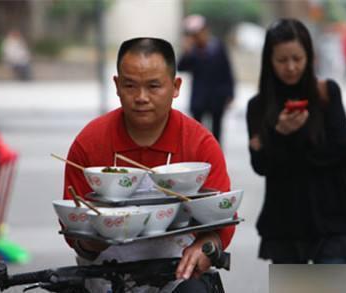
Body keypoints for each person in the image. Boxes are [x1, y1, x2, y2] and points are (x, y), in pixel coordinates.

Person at [63, 37, 236, 292]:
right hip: (106, 278)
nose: (141, 97)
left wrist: (206, 246)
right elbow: (71, 225)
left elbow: (222, 218)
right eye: (130, 85)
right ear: (117, 85)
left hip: (178, 276)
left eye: (154, 86)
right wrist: (91, 241)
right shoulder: (89, 143)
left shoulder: (199, 144)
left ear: (175, 86)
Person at [246, 19, 346, 264]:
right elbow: (261, 166)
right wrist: (279, 133)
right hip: (284, 223)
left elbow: (339, 150)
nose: (290, 67)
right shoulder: (258, 106)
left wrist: (287, 140)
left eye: (297, 58)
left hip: (331, 219)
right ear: (269, 60)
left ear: (309, 56)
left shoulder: (326, 93)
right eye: (282, 60)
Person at [177, 14, 235, 144]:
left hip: (217, 96)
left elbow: (227, 70)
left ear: (205, 30)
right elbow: (181, 67)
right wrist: (186, 52)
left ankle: (216, 158)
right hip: (199, 98)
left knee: (217, 132)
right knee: (197, 132)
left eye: (198, 32)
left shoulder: (218, 46)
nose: (197, 36)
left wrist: (230, 93)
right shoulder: (192, 51)